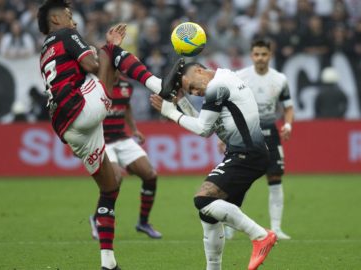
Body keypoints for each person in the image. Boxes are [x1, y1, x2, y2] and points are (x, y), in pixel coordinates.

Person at [37, 1, 170, 269]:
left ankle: (108, 263)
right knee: (109, 51)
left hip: (68, 129)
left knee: (110, 188)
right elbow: (92, 63)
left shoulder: (44, 52)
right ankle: (160, 85)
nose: (73, 21)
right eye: (69, 16)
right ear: (55, 20)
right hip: (82, 109)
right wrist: (108, 48)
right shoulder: (65, 34)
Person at [150, 59, 277, 270]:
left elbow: (202, 129)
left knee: (203, 199)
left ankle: (260, 236)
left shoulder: (217, 86)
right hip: (246, 153)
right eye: (189, 91)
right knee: (208, 213)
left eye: (192, 86)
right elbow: (208, 128)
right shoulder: (224, 77)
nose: (194, 92)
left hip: (246, 154)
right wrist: (181, 104)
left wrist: (170, 112)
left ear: (199, 70)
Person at [229, 38, 294, 241]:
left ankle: (276, 228)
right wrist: (226, 134)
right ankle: (230, 226)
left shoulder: (280, 79)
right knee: (240, 180)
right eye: (256, 54)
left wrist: (288, 124)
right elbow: (229, 106)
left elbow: (288, 106)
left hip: (270, 131)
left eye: (264, 54)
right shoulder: (240, 77)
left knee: (275, 179)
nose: (260, 58)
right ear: (251, 56)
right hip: (244, 132)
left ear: (270, 55)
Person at [89, 73, 162, 240]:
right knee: (115, 180)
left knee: (150, 175)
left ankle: (143, 222)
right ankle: (97, 219)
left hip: (122, 139)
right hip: (102, 141)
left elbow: (126, 106)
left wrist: (134, 129)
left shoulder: (126, 86)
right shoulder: (95, 85)